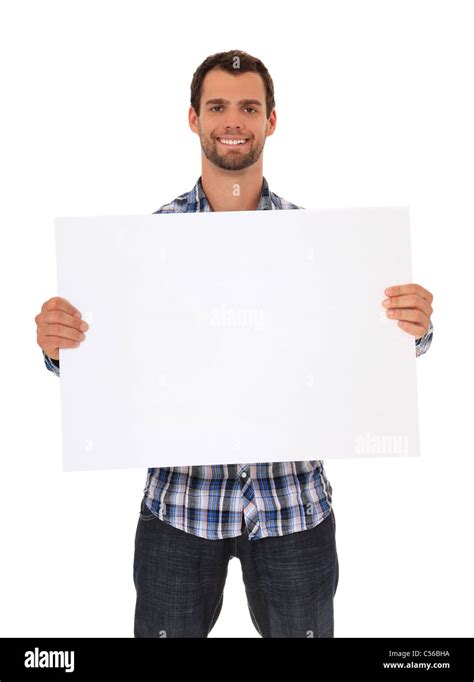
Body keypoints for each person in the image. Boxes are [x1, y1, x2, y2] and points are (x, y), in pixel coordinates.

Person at [35, 49, 434, 638]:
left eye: (249, 107)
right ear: (193, 118)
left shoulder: (320, 243)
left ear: (271, 121)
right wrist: (56, 344)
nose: (233, 120)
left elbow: (375, 349)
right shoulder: (141, 244)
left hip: (293, 505)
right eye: (217, 105)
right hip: (180, 509)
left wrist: (416, 328)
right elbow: (103, 362)